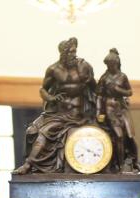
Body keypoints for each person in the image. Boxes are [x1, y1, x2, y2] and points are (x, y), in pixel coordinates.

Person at [14, 37, 96, 174]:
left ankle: (28, 165)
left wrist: (90, 80)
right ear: (62, 53)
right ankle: (30, 164)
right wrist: (51, 97)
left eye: (74, 51)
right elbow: (43, 90)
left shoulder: (84, 66)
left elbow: (95, 88)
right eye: (69, 52)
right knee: (33, 132)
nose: (73, 55)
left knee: (45, 132)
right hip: (58, 113)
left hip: (80, 114)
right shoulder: (53, 69)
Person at [96, 48, 140, 173]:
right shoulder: (104, 78)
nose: (111, 67)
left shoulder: (122, 76)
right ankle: (120, 166)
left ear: (117, 63)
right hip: (109, 107)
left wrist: (119, 90)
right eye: (109, 65)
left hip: (122, 108)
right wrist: (99, 112)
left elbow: (129, 92)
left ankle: (134, 161)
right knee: (118, 136)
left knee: (130, 135)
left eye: (113, 64)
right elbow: (99, 95)